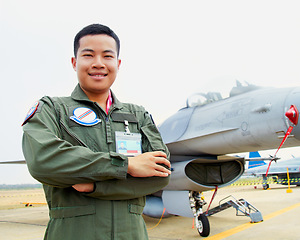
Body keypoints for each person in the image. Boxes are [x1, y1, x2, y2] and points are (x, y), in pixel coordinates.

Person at [22, 23, 171, 240]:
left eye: (107, 56)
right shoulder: (51, 109)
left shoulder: (137, 115)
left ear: (118, 63)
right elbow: (43, 161)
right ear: (74, 62)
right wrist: (127, 165)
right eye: (88, 55)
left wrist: (95, 186)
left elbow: (160, 175)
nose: (98, 64)